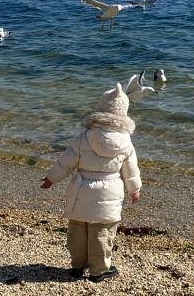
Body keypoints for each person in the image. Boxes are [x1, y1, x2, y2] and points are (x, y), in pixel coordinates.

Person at [41, 81, 141, 282]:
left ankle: (77, 266)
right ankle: (98, 270)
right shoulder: (125, 142)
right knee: (101, 233)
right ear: (123, 114)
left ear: (101, 108)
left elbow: (66, 161)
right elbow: (131, 170)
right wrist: (134, 189)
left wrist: (51, 179)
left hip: (81, 189)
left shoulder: (85, 137)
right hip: (109, 191)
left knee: (78, 230)